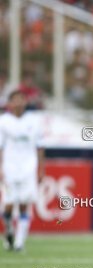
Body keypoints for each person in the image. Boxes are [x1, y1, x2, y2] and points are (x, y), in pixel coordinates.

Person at [0, 91, 45, 251]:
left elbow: (40, 147)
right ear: (10, 103)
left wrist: (41, 169)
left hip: (28, 168)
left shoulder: (34, 121)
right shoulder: (3, 121)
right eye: (15, 100)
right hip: (10, 168)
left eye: (21, 100)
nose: (18, 103)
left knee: (25, 204)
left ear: (25, 102)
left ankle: (19, 243)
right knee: (9, 204)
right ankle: (9, 230)